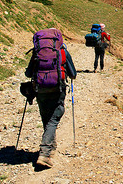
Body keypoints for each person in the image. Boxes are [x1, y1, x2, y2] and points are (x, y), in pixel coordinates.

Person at [25, 28, 77, 169]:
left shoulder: (37, 52)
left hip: (40, 89)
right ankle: (45, 153)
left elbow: (29, 74)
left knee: (46, 117)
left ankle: (51, 146)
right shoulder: (62, 51)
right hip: (57, 88)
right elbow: (73, 74)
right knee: (54, 118)